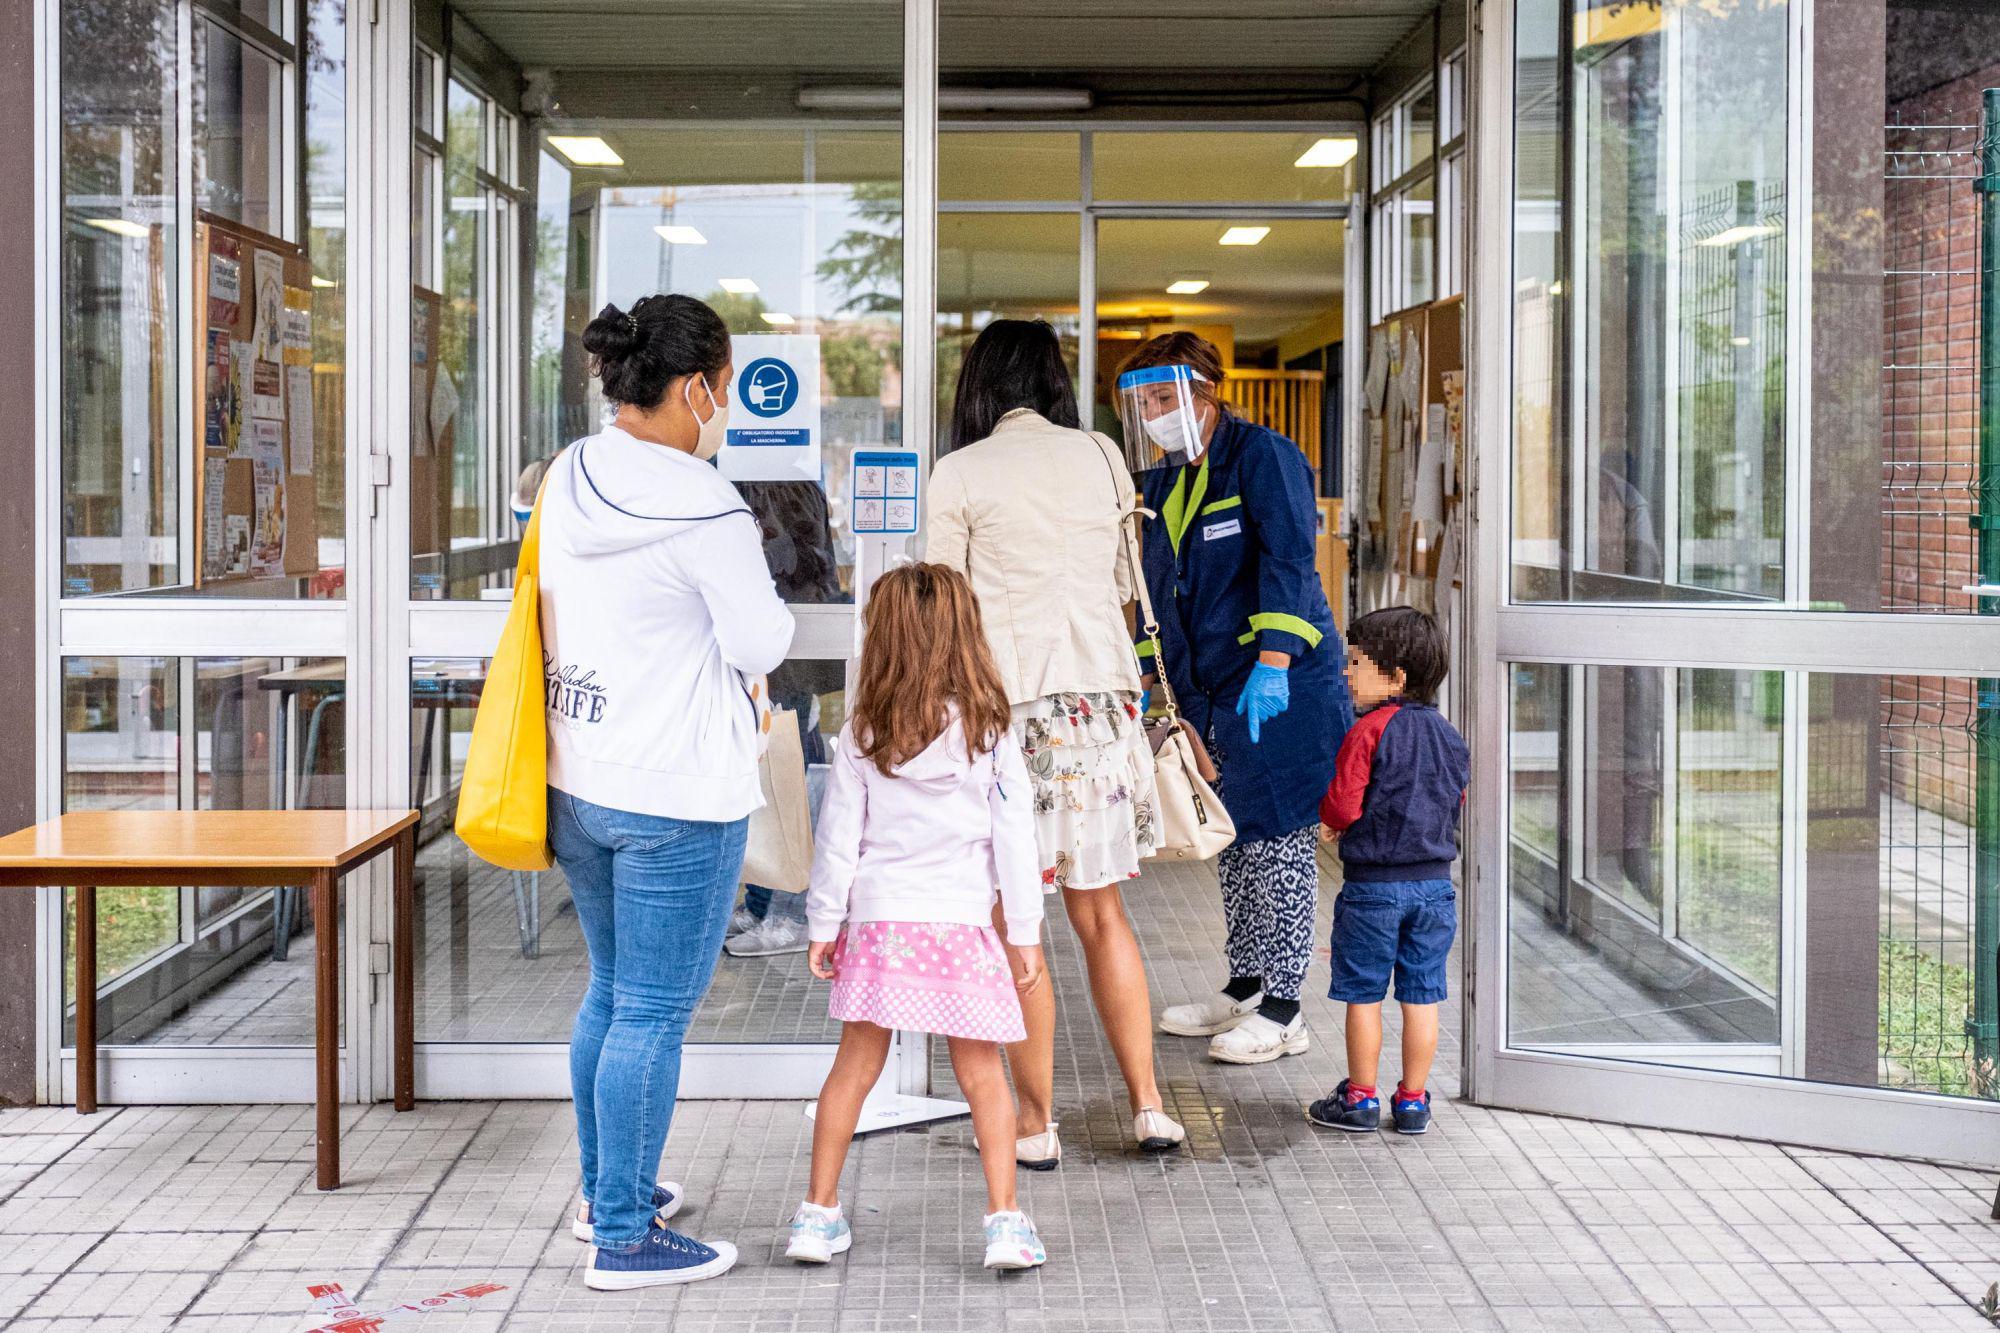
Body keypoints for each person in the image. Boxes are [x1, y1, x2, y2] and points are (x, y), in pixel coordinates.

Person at [537, 294, 794, 1289]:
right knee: (653, 1009)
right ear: (693, 386)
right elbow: (762, 642)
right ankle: (623, 1238)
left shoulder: (569, 471)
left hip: (576, 774)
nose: (722, 408)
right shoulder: (705, 506)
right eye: (722, 389)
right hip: (677, 794)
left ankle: (611, 1193)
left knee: (610, 993)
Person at [927, 319, 1185, 1166]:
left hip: (1013, 715)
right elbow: (1124, 584)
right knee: (1103, 913)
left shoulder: (958, 472)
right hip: (1103, 707)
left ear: (980, 386)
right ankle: (1148, 1105)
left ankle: (1035, 1125)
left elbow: (941, 607)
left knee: (1017, 921)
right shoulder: (1103, 455)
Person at [787, 563, 1050, 1272]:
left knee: (853, 1069)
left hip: (880, 925)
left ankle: (817, 1214)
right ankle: (1004, 1221)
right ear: (966, 636)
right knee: (984, 1076)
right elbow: (1014, 840)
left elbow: (839, 836)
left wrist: (823, 922)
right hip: (961, 928)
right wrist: (1022, 932)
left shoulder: (863, 732)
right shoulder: (991, 733)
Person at [1117, 332, 1354, 1064]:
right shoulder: (1160, 482)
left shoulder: (1262, 457)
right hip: (1212, 692)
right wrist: (1155, 678)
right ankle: (1245, 984)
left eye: (1165, 397)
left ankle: (1285, 1007)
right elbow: (1158, 592)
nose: (1154, 413)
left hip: (1278, 688)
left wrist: (1275, 662)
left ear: (1205, 392)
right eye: (1144, 402)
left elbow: (1289, 558)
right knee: (1232, 837)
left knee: (1278, 840)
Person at [1308, 606, 1468, 1135]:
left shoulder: (1368, 731)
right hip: (1434, 888)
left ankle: (1359, 1098)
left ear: (1394, 677)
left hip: (1373, 888)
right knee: (1423, 993)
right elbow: (1453, 799)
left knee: (1365, 994)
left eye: (1357, 663)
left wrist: (1331, 825)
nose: (1347, 673)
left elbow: (1344, 803)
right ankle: (1414, 1102)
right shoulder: (1449, 735)